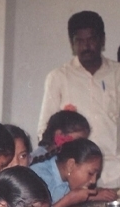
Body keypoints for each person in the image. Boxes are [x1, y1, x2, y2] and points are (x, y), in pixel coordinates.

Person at [37, 11, 120, 188]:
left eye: (91, 39)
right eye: (79, 41)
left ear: (102, 40)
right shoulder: (58, 77)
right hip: (76, 178)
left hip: (116, 172)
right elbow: (45, 131)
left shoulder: (117, 73)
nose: (86, 46)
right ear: (72, 44)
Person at [30, 138, 116, 207]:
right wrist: (66, 206)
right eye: (90, 173)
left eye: (96, 175)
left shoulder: (66, 174)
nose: (93, 181)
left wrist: (93, 196)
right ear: (71, 165)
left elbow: (61, 195)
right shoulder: (38, 176)